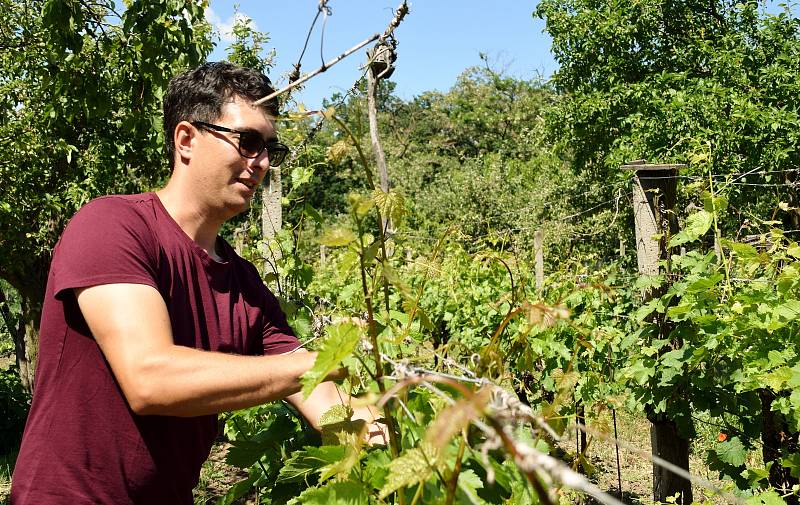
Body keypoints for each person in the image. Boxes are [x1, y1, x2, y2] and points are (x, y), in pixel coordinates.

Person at [11, 62, 383, 504]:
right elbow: (150, 379)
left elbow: (325, 404)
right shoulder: (113, 226)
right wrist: (316, 362)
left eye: (270, 149)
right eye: (247, 142)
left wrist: (408, 419)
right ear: (186, 139)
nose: (261, 162)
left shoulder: (244, 285)